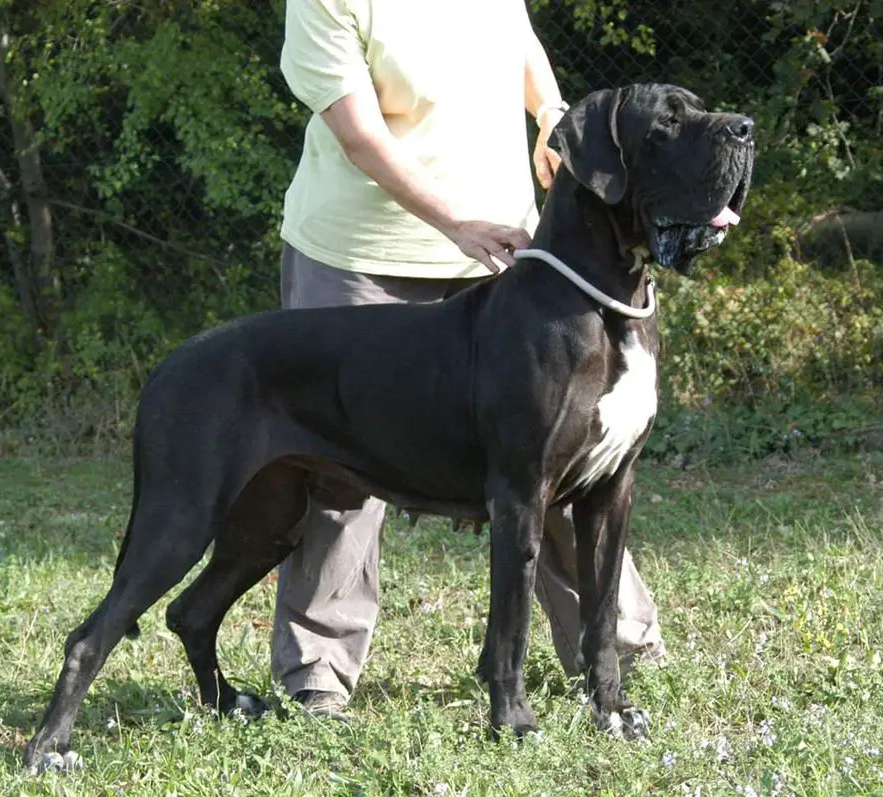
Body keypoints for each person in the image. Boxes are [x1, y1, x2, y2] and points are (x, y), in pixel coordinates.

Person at [270, 0, 666, 721]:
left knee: (561, 453)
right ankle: (317, 670)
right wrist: (453, 221)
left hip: (505, 250)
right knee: (342, 476)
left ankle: (617, 642)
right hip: (362, 259)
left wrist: (551, 114)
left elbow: (516, 40)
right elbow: (357, 131)